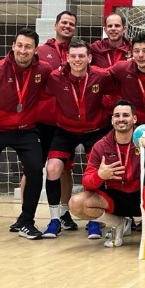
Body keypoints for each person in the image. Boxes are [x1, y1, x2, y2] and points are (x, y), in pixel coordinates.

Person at [0, 28, 53, 242]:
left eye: (28, 47)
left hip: (26, 130)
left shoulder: (44, 70)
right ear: (13, 46)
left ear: (35, 50)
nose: (23, 50)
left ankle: (27, 221)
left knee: (35, 170)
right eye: (20, 45)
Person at [42, 38, 117, 240]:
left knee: (95, 171)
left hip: (96, 129)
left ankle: (94, 219)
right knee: (53, 168)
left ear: (89, 58)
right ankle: (55, 219)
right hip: (65, 129)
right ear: (67, 58)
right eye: (73, 56)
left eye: (81, 56)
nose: (77, 60)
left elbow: (116, 92)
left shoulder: (101, 76)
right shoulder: (56, 77)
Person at [30, 10, 78, 233]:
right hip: (42, 120)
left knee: (64, 168)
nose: (67, 26)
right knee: (32, 169)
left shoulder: (78, 52)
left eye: (71, 24)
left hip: (66, 122)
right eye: (64, 23)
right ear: (56, 26)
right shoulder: (40, 52)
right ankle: (26, 215)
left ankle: (64, 212)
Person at [68, 100, 140, 248]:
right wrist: (100, 176)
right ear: (112, 119)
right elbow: (87, 182)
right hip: (113, 198)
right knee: (76, 203)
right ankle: (119, 224)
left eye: (125, 115)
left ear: (134, 119)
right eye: (117, 115)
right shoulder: (101, 146)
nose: (121, 119)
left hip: (142, 196)